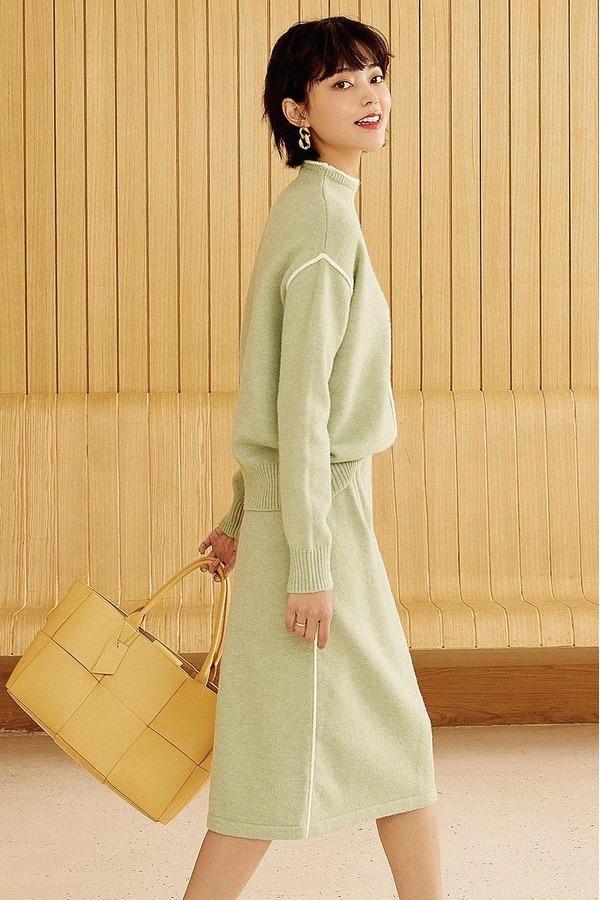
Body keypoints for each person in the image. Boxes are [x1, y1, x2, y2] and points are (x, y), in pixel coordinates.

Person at [184, 16, 444, 900]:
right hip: (320, 517)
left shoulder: (310, 208)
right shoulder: (326, 225)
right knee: (360, 746)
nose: (370, 95)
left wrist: (242, 516)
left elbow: (279, 393)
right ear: (298, 111)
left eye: (374, 75)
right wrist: (309, 562)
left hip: (300, 512)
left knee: (321, 750)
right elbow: (300, 410)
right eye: (341, 83)